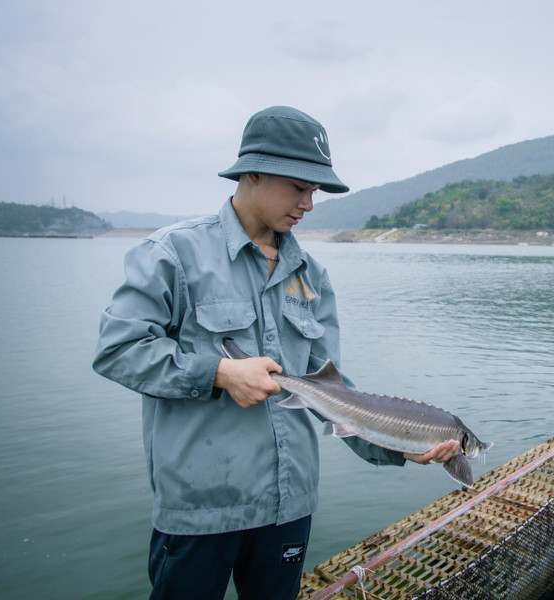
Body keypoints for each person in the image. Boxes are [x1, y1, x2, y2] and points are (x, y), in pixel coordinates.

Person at [93, 106, 459, 600]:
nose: (309, 203)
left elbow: (331, 391)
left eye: (314, 191)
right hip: (202, 508)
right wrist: (219, 373)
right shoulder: (173, 254)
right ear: (253, 173)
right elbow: (118, 350)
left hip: (290, 505)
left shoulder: (311, 275)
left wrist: (399, 444)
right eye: (298, 187)